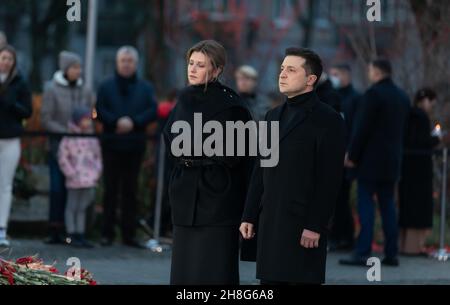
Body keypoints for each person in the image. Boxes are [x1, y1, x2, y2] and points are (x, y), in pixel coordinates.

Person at [240, 47, 346, 284]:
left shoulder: (328, 120)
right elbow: (260, 168)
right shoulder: (272, 115)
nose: (282, 74)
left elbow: (329, 179)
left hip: (302, 225)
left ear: (310, 79)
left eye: (291, 69)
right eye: (281, 69)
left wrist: (315, 225)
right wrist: (249, 215)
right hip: (269, 220)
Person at [164, 40, 252, 285]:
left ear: (216, 70)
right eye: (191, 63)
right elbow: (169, 138)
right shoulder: (183, 100)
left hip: (218, 198)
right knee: (184, 271)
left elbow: (241, 155)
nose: (192, 69)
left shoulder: (232, 105)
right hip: (184, 193)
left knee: (213, 270)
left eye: (200, 65)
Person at [340, 59, 410, 267]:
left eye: (370, 70)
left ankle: (363, 251)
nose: (369, 73)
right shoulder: (402, 96)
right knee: (388, 205)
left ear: (377, 72)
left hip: (370, 162)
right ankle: (391, 253)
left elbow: (361, 128)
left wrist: (352, 155)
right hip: (392, 161)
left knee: (366, 205)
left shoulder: (372, 95)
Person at [96, 46, 157, 248]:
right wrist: (116, 122)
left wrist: (133, 122)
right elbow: (100, 109)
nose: (126, 64)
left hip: (134, 145)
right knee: (110, 190)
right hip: (112, 144)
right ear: (117, 62)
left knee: (131, 191)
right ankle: (107, 234)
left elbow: (151, 110)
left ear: (136, 64)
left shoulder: (146, 87)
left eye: (130, 61)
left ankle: (129, 235)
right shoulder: (105, 86)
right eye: (123, 60)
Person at [41, 51, 95, 244]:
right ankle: (54, 229)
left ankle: (75, 231)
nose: (78, 71)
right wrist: (67, 131)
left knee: (78, 191)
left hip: (81, 152)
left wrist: (86, 133)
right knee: (57, 189)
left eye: (79, 67)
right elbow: (46, 119)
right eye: (74, 67)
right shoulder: (52, 89)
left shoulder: (86, 91)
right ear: (65, 69)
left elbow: (90, 116)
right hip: (59, 147)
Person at [399, 88, 441, 255]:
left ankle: (404, 245)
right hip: (419, 171)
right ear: (425, 100)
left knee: (408, 207)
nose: (431, 107)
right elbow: (420, 142)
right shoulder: (420, 117)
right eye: (431, 103)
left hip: (408, 169)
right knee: (418, 208)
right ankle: (414, 247)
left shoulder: (408, 115)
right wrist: (436, 138)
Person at [0, 45, 32, 247]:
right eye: (3, 58)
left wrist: (11, 104)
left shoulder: (20, 83)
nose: (6, 62)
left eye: (9, 59)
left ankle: (2, 228)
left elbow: (27, 111)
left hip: (10, 139)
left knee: (5, 185)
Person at [327, 63, 361, 251]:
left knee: (342, 199)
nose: (334, 77)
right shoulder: (332, 96)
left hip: (345, 156)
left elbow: (356, 127)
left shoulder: (355, 98)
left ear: (346, 75)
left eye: (336, 74)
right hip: (332, 154)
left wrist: (350, 152)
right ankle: (337, 236)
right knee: (334, 199)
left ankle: (344, 237)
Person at [58, 106, 102, 248]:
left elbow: (97, 157)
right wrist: (71, 173)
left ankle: (80, 233)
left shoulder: (91, 138)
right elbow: (63, 158)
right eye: (85, 119)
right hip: (74, 178)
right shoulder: (68, 138)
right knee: (72, 206)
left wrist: (96, 173)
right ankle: (72, 233)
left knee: (82, 207)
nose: (88, 122)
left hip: (89, 179)